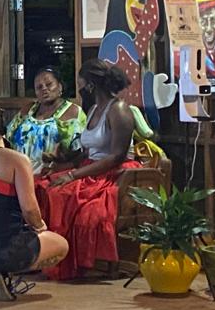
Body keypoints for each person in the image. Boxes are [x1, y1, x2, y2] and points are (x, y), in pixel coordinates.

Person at [36, 59, 141, 281]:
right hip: (90, 168)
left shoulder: (119, 109)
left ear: (91, 85)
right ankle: (46, 256)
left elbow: (116, 156)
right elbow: (86, 152)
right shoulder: (93, 109)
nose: (79, 89)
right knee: (42, 185)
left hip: (113, 172)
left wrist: (73, 175)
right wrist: (60, 162)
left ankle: (70, 261)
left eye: (81, 84)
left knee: (63, 194)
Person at [0, 100, 69, 300]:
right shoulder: (17, 160)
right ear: (2, 127)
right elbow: (30, 210)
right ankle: (3, 271)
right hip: (0, 250)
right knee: (60, 245)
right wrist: (41, 229)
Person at [4, 68, 86, 174]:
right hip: (21, 172)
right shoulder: (28, 109)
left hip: (53, 174)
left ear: (60, 86)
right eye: (39, 87)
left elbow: (82, 152)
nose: (44, 89)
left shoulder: (73, 111)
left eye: (49, 84)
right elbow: (9, 136)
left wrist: (60, 165)